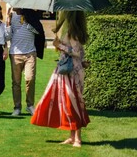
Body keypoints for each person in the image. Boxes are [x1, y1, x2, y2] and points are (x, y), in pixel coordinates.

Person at [30, 10, 90, 147]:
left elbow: (75, 51)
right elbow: (80, 53)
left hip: (71, 73)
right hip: (73, 70)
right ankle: (72, 136)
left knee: (73, 104)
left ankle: (77, 139)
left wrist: (59, 46)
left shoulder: (72, 31)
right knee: (72, 103)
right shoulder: (76, 30)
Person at [6, 8, 45, 116]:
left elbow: (38, 31)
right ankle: (17, 107)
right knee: (16, 82)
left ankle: (30, 105)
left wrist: (27, 23)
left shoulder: (32, 16)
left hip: (30, 53)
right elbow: (7, 37)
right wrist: (8, 23)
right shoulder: (11, 17)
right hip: (15, 54)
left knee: (30, 78)